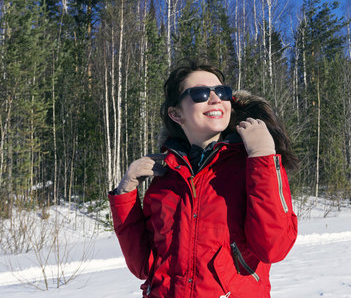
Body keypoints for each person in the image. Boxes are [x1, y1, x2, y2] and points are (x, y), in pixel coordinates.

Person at [108, 61, 298, 298]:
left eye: (222, 92)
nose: (215, 98)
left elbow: (274, 247)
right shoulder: (165, 178)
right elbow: (143, 267)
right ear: (176, 114)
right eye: (199, 93)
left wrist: (263, 157)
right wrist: (126, 191)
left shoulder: (252, 167)